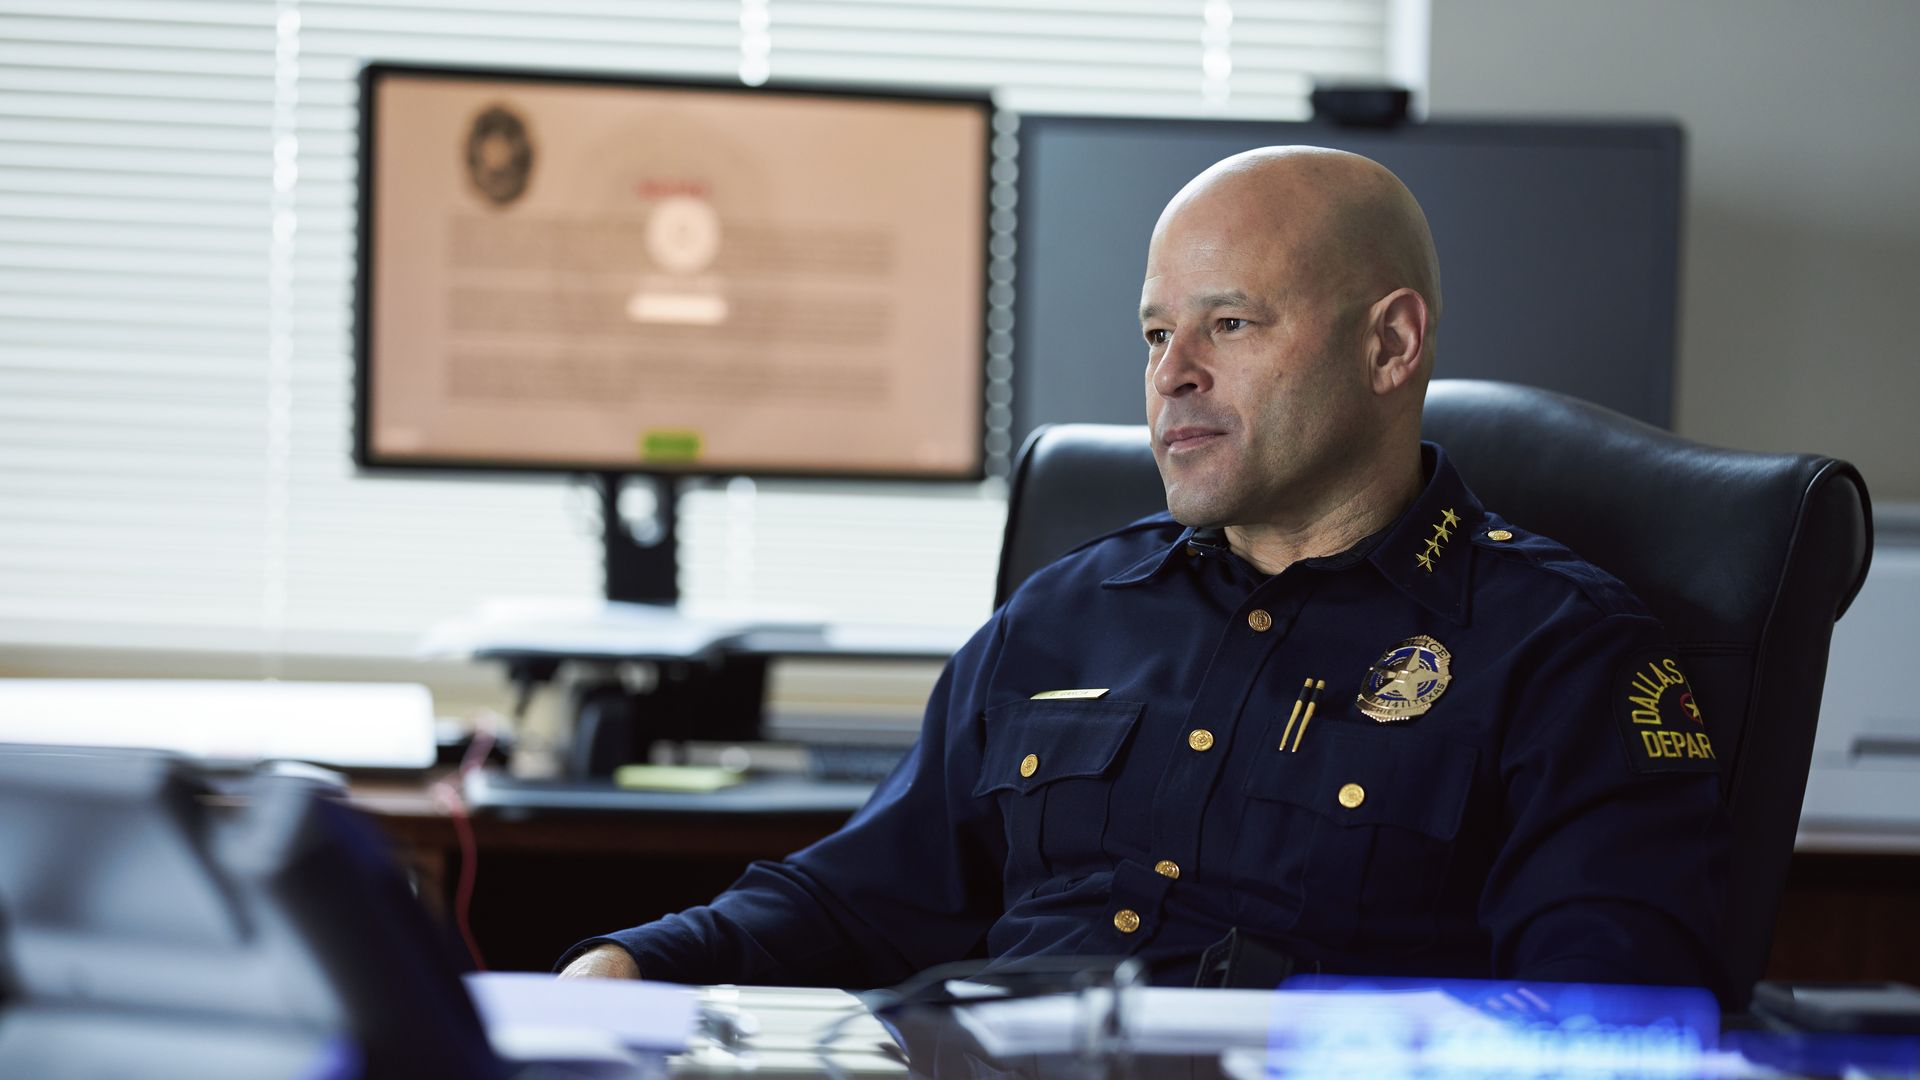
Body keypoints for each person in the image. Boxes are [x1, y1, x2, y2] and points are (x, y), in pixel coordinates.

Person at [557, 147, 1730, 995]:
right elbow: (857, 897)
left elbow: (1609, 1018)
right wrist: (637, 961)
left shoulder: (1560, 653)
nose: (1172, 376)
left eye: (1231, 325)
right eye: (1157, 334)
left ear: (1391, 343)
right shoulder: (1066, 614)